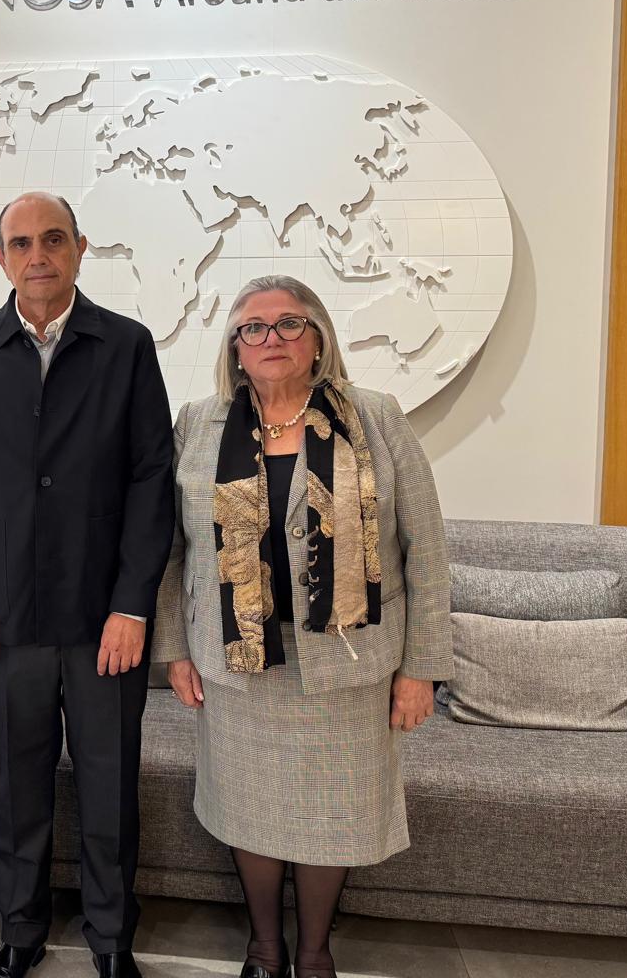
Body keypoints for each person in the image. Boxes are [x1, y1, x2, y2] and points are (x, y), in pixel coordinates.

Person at [151, 275, 452, 978]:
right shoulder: (198, 423)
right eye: (253, 328)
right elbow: (170, 549)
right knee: (249, 808)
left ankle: (315, 953)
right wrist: (174, 649)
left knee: (334, 815)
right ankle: (264, 947)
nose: (272, 338)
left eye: (290, 323)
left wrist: (421, 668)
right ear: (235, 347)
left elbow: (427, 548)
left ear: (318, 339)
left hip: (348, 664)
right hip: (237, 660)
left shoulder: (375, 416)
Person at [0, 191, 174, 978]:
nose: (39, 255)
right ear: (0, 258)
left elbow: (152, 482)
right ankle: (20, 931)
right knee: (18, 787)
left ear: (79, 248)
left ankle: (111, 940)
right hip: (5, 620)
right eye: (22, 243)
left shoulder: (126, 346)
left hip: (105, 619)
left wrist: (133, 605)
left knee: (109, 785)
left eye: (54, 239)